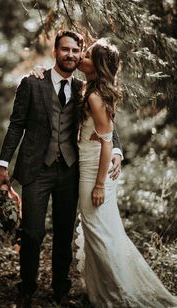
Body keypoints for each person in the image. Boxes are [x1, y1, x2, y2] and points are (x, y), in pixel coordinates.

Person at [0, 31, 123, 307]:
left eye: (77, 51)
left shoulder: (83, 88)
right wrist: (3, 163)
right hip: (36, 170)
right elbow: (16, 124)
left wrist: (117, 150)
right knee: (32, 232)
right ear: (55, 52)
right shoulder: (32, 83)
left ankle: (60, 288)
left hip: (70, 171)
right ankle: (27, 287)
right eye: (65, 49)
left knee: (64, 233)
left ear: (80, 55)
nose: (71, 55)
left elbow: (107, 120)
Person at [75, 38, 177, 307]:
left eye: (86, 55)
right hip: (89, 167)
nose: (81, 58)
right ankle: (102, 291)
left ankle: (120, 294)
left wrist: (98, 185)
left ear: (96, 65)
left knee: (100, 234)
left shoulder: (96, 97)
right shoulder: (91, 90)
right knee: (101, 231)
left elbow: (107, 142)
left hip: (94, 174)